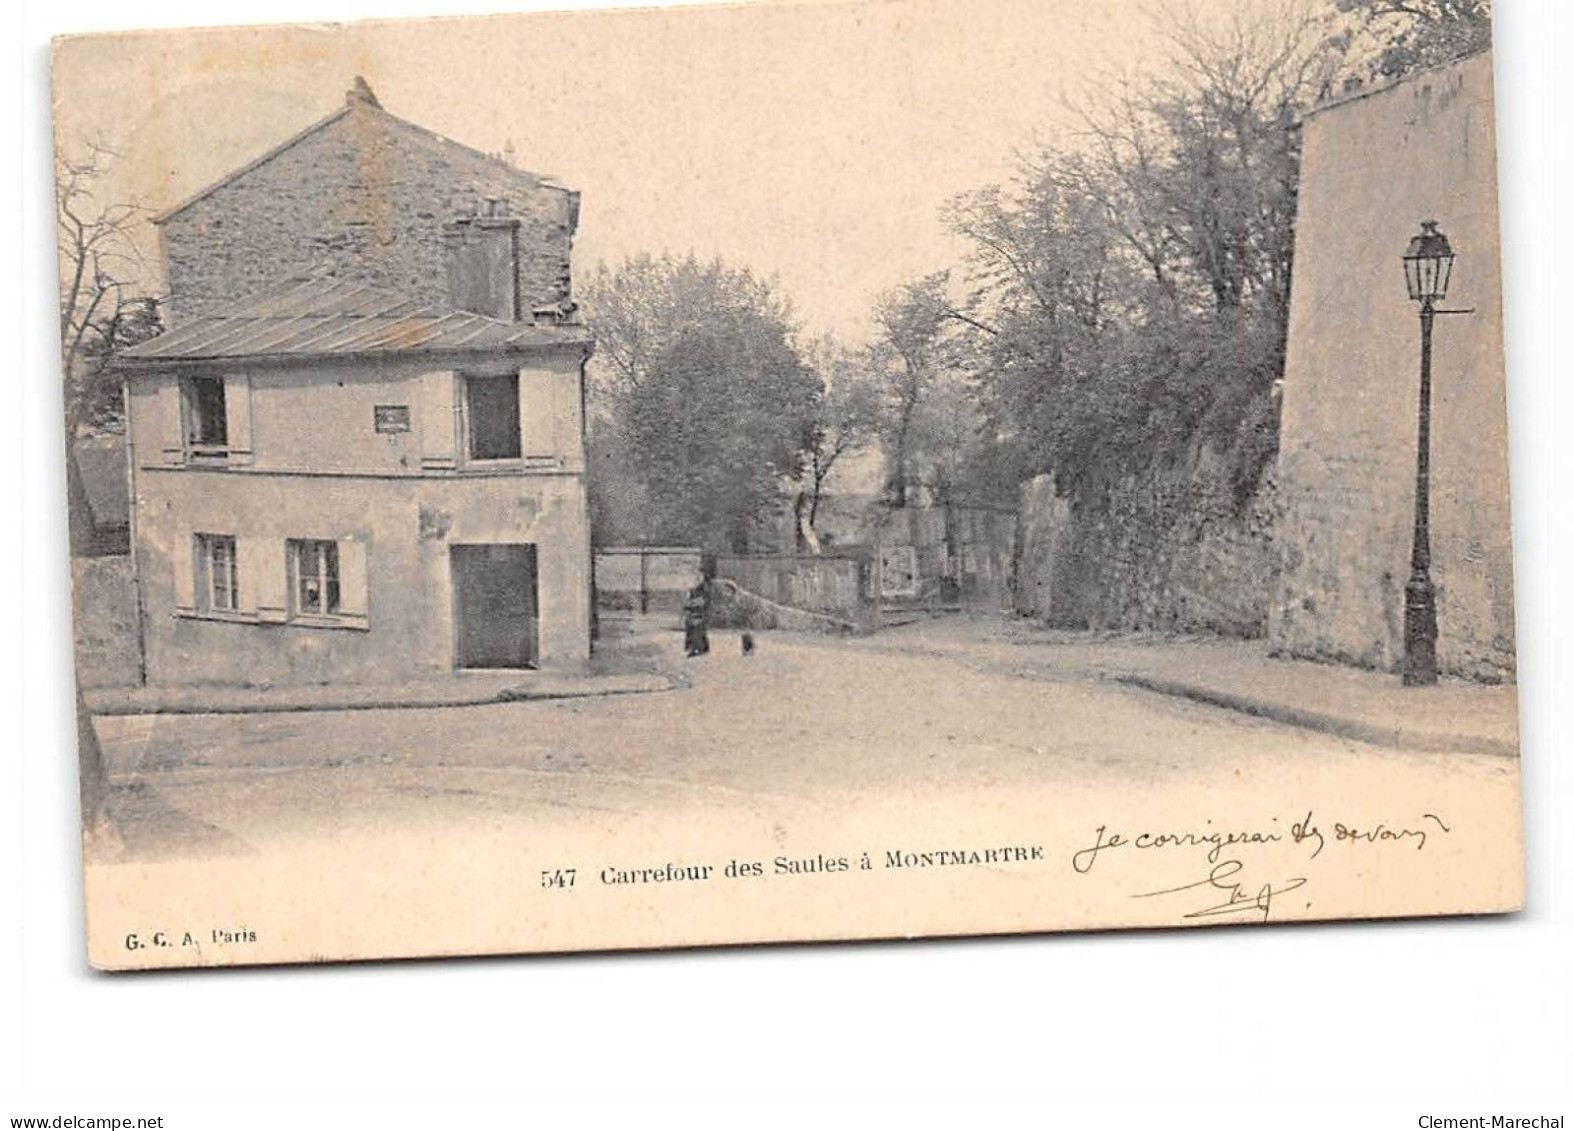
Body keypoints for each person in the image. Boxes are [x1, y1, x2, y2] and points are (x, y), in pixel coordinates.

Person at [683, 580, 711, 657]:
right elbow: (688, 606)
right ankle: (700, 648)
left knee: (696, 634)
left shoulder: (700, 598)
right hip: (696, 618)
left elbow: (692, 606)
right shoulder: (700, 597)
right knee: (696, 633)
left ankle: (698, 649)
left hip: (697, 618)